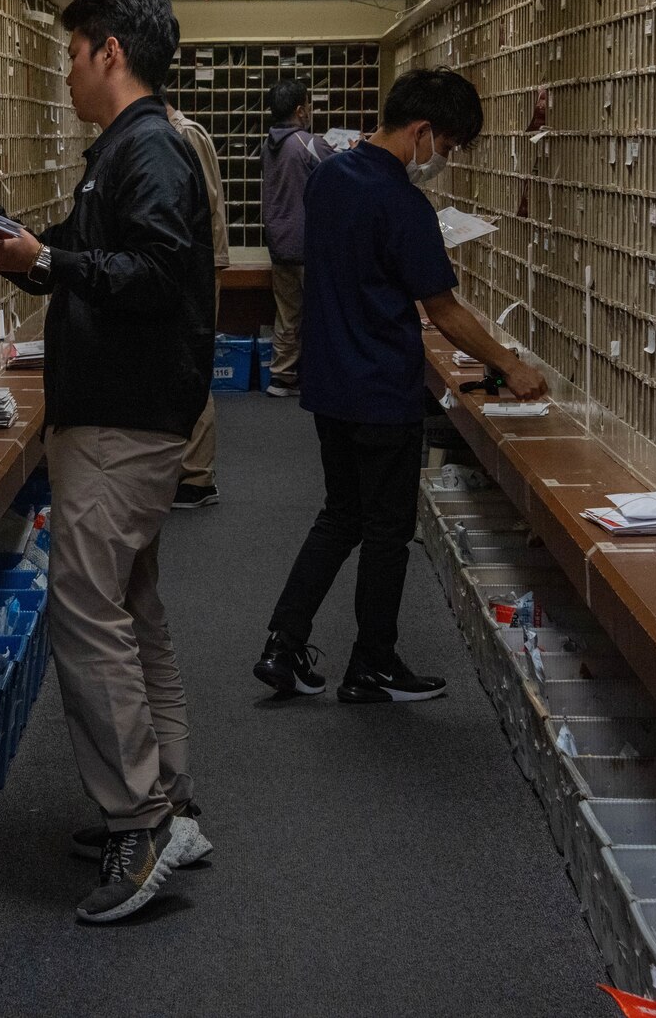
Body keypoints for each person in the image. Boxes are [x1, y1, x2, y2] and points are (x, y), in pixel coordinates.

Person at [0, 0, 215, 923]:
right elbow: (71, 253)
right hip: (125, 412)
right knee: (129, 604)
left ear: (108, 51)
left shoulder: (148, 148)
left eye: (71, 53)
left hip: (125, 417)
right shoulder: (126, 149)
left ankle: (139, 821)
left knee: (84, 610)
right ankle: (170, 801)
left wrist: (42, 259)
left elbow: (149, 276)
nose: (65, 72)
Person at [253, 68, 546, 704]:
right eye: (448, 146)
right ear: (422, 131)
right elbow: (444, 311)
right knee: (387, 531)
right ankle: (373, 664)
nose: (446, 159)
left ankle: (283, 642)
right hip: (382, 386)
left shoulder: (329, 176)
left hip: (328, 380)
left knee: (339, 516)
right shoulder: (403, 203)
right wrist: (510, 365)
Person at [166, 100, 230, 508]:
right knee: (179, 362)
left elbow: (202, 206)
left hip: (198, 265)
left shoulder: (185, 133)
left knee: (193, 362)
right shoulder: (170, 133)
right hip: (187, 264)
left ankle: (196, 477)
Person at [258, 78, 330, 398]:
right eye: (309, 105)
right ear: (300, 111)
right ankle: (317, 377)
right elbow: (339, 169)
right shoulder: (306, 142)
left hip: (278, 242)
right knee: (320, 314)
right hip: (306, 244)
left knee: (287, 314)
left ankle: (281, 376)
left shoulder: (268, 143)